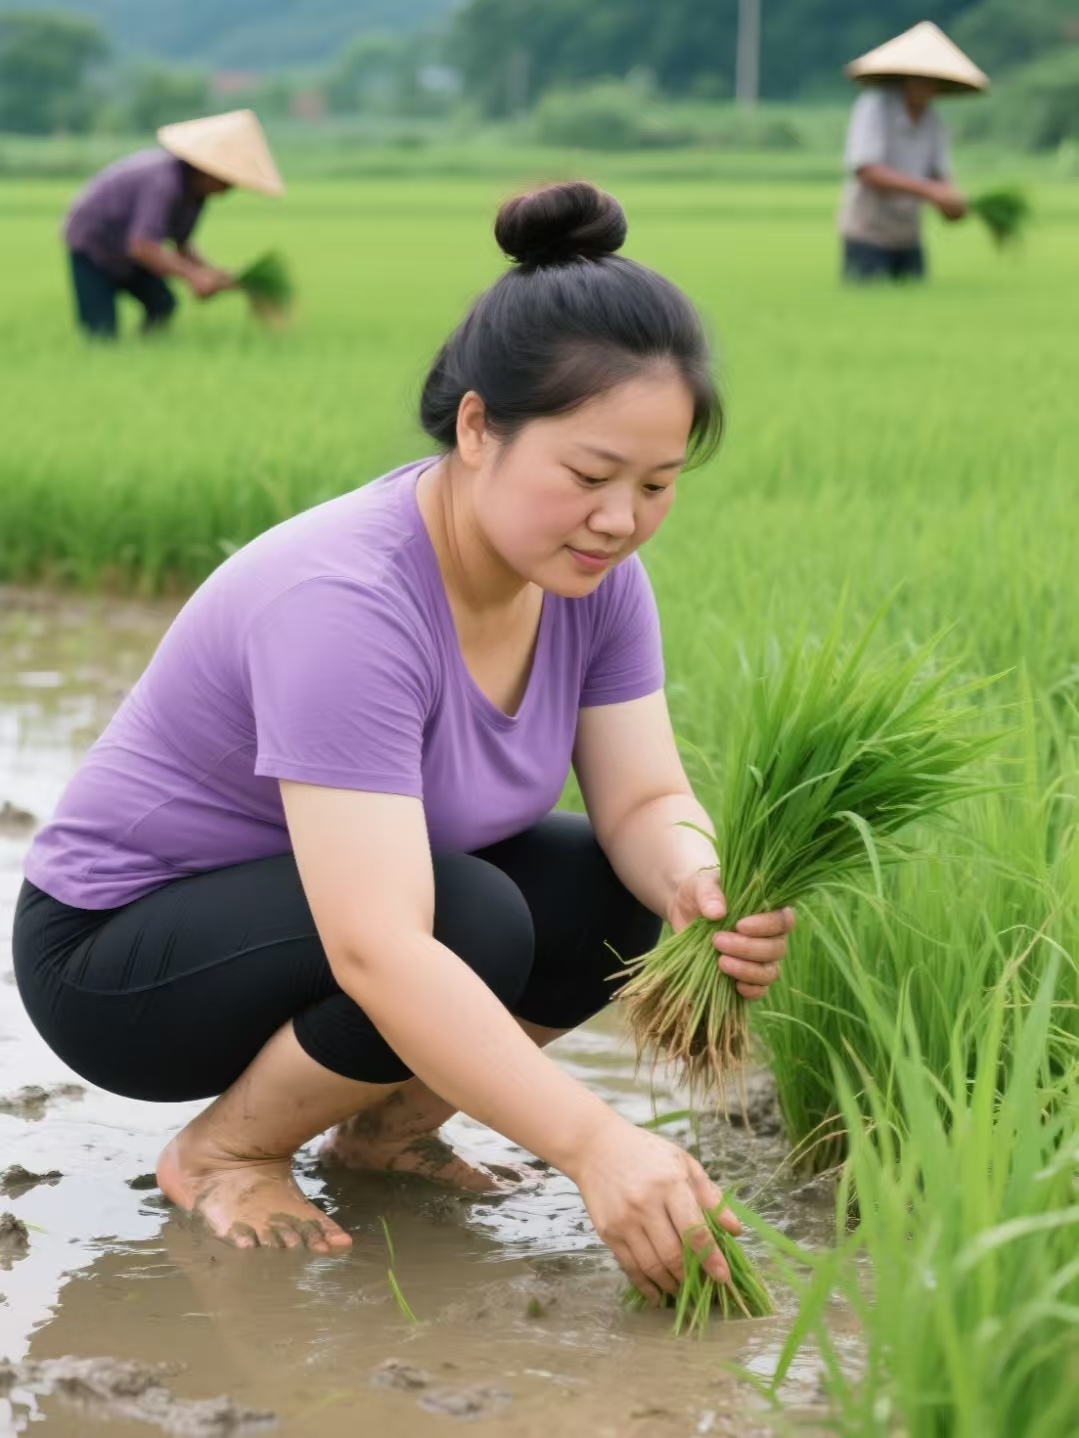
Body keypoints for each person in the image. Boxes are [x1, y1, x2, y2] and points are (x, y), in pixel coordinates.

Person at [13, 181, 795, 1306]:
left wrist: (697, 880)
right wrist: (595, 1145)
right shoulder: (345, 600)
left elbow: (640, 801)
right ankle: (223, 1150)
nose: (619, 519)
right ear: (477, 428)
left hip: (328, 917)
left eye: (656, 484)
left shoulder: (595, 582)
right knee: (463, 917)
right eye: (586, 475)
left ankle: (380, 1132)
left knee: (603, 887)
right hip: (120, 956)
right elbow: (380, 945)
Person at [63, 109, 284, 338]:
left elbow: (182, 244)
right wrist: (193, 276)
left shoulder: (196, 195)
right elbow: (142, 246)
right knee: (101, 334)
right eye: (227, 179)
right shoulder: (164, 183)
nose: (229, 188)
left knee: (162, 304)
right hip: (94, 247)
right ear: (207, 168)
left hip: (128, 252)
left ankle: (143, 357)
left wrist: (214, 274)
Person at [839, 21, 989, 283]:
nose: (926, 85)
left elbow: (940, 175)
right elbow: (867, 171)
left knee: (911, 303)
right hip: (868, 232)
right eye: (921, 77)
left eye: (934, 80)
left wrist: (952, 202)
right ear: (907, 76)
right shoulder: (875, 106)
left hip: (908, 235)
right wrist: (930, 191)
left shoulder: (933, 120)